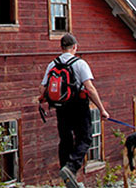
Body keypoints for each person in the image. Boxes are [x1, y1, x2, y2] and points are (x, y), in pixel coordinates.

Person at [39, 33, 110, 188]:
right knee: (85, 138)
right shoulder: (80, 64)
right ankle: (71, 168)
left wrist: (44, 97)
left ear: (62, 48)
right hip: (78, 106)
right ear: (75, 47)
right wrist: (102, 109)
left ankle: (67, 176)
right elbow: (90, 89)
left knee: (65, 140)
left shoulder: (52, 64)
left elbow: (42, 88)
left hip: (60, 107)